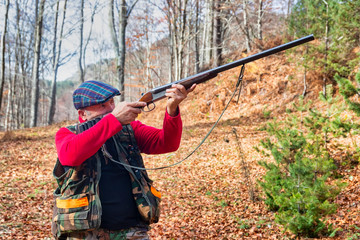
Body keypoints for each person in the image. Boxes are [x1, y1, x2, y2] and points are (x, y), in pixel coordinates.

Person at [51, 80, 196, 240]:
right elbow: (70, 155)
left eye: (112, 102)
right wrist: (113, 120)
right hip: (85, 233)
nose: (112, 109)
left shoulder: (129, 129)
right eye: (102, 106)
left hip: (132, 230)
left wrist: (172, 108)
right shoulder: (68, 134)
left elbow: (167, 143)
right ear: (83, 114)